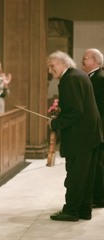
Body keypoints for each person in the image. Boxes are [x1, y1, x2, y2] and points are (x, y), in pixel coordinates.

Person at [47, 51, 103, 221]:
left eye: (52, 66)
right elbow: (78, 106)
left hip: (80, 138)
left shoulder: (69, 79)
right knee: (86, 176)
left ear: (64, 63)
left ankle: (71, 211)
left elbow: (75, 111)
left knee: (75, 176)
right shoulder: (79, 75)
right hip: (91, 135)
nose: (50, 70)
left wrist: (55, 123)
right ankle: (84, 210)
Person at [82, 48, 104, 208]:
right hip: (95, 128)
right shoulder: (92, 77)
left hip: (100, 128)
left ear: (95, 61)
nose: (83, 60)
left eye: (86, 58)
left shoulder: (99, 78)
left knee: (99, 164)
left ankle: (100, 197)